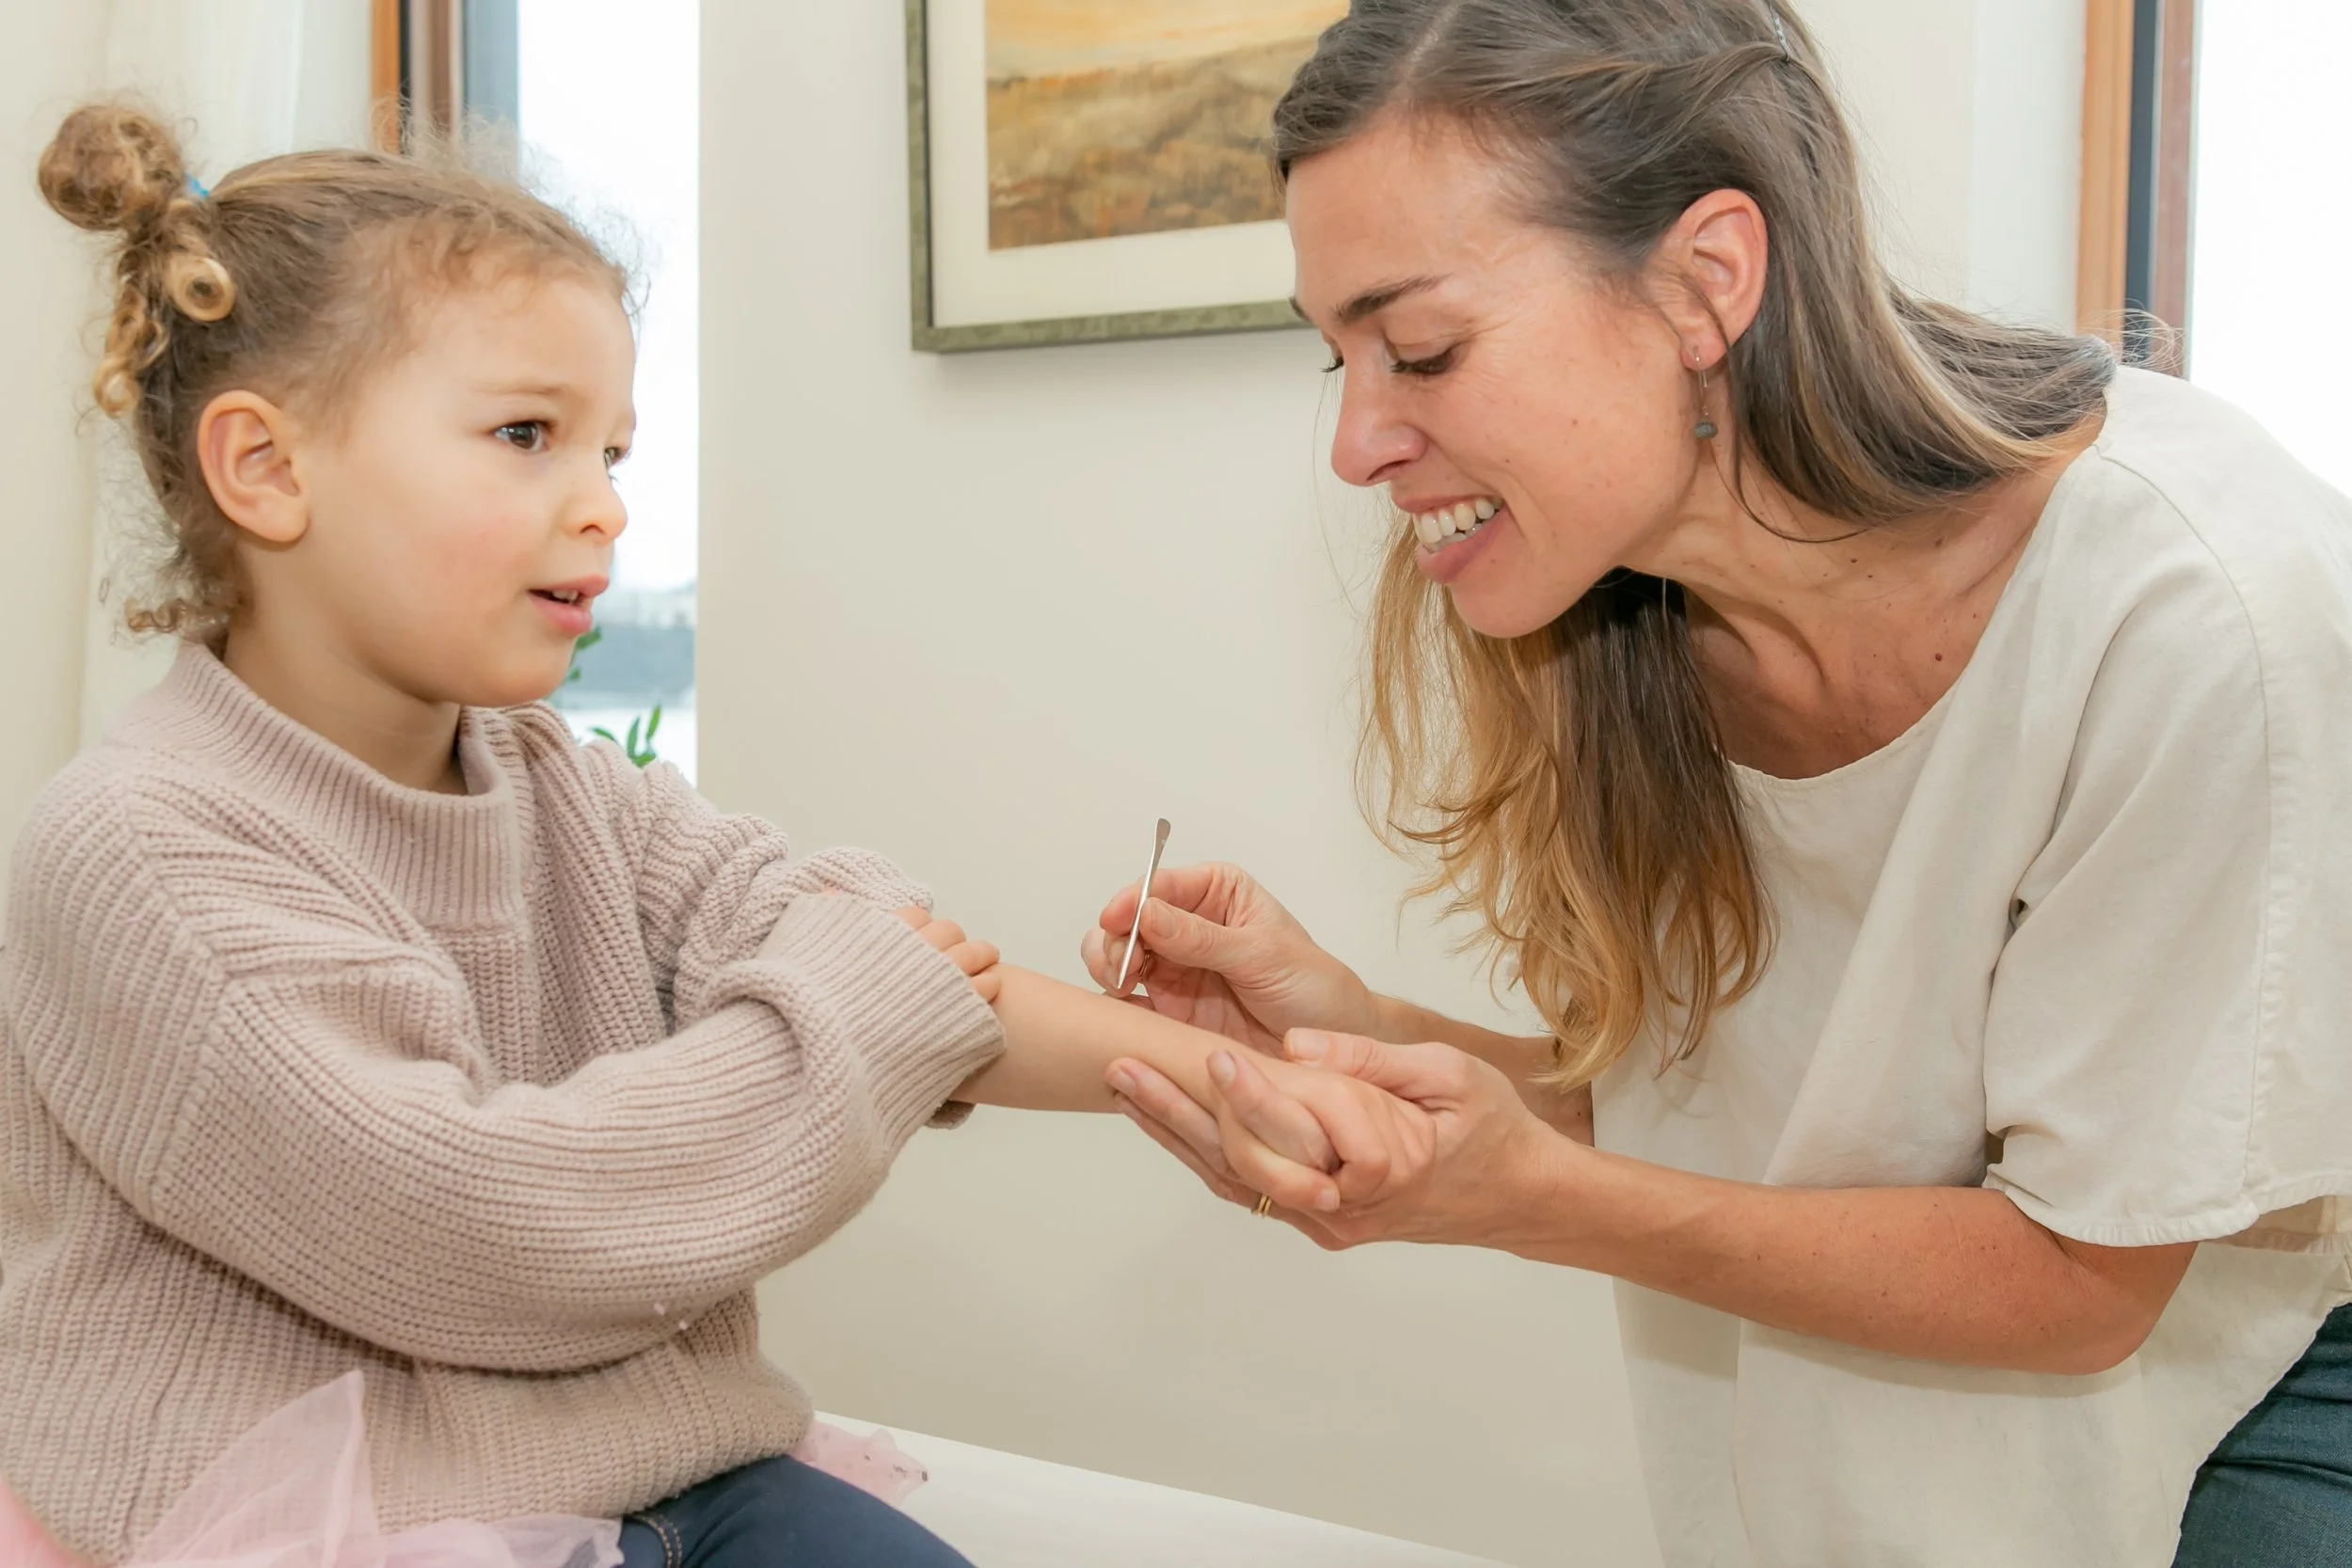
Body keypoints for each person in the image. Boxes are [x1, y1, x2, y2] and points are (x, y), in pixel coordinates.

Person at [1089, 2, 2352, 1565]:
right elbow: (1715, 1112)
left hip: (2256, 1402)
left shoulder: (2192, 611)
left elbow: (2083, 1278)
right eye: (1335, 353)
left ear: (1706, 281)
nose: (1354, 442)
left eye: (1419, 348)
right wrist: (1358, 1029)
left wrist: (1519, 1198)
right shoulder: (1600, 610)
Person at [3, 104, 1264, 1568]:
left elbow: (874, 958)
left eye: (611, 448)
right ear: (267, 469)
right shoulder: (136, 850)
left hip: (662, 1476)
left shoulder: (562, 782)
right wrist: (850, 1006)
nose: (604, 507)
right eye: (528, 436)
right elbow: (483, 1226)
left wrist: (1249, 1084)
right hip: (340, 1522)